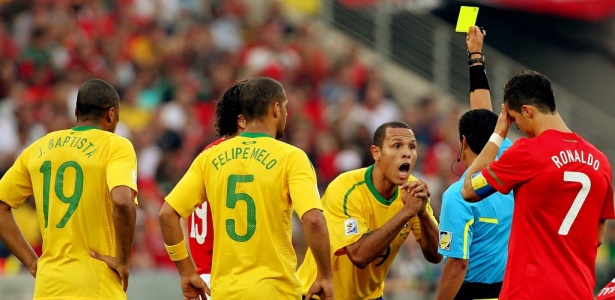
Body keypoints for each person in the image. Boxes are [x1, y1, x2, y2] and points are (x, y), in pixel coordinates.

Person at [159, 77, 334, 300]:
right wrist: (324, 276)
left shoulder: (210, 157)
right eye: (286, 107)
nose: (287, 115)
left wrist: (186, 272)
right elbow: (313, 220)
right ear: (276, 108)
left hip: (224, 292)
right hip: (275, 291)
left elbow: (167, 214)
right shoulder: (292, 157)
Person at [460, 62, 614, 297]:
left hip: (529, 291)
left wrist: (498, 133)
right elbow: (599, 236)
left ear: (527, 111)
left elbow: (469, 189)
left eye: (513, 119)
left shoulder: (528, 153)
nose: (518, 128)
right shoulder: (600, 160)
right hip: (578, 291)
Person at [0, 78, 138, 299]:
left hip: (48, 287)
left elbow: (1, 204)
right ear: (111, 114)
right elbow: (122, 202)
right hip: (96, 285)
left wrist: (31, 261)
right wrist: (123, 261)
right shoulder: (115, 146)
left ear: (76, 112)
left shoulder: (39, 147)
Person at [297, 120, 441, 300]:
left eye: (412, 147)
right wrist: (407, 213)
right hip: (322, 294)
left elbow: (436, 255)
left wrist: (423, 213)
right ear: (376, 152)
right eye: (396, 146)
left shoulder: (412, 191)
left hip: (371, 296)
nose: (406, 153)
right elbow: (359, 255)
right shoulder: (346, 189)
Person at [436, 26, 514, 300]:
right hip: (509, 291)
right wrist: (475, 55)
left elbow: (458, 263)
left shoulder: (457, 197)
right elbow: (483, 111)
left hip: (471, 293)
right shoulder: (508, 161)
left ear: (463, 142)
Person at [183, 80, 247, 300]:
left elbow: (177, 213)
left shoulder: (208, 154)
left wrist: (188, 269)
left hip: (203, 276)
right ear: (243, 120)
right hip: (225, 279)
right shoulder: (239, 159)